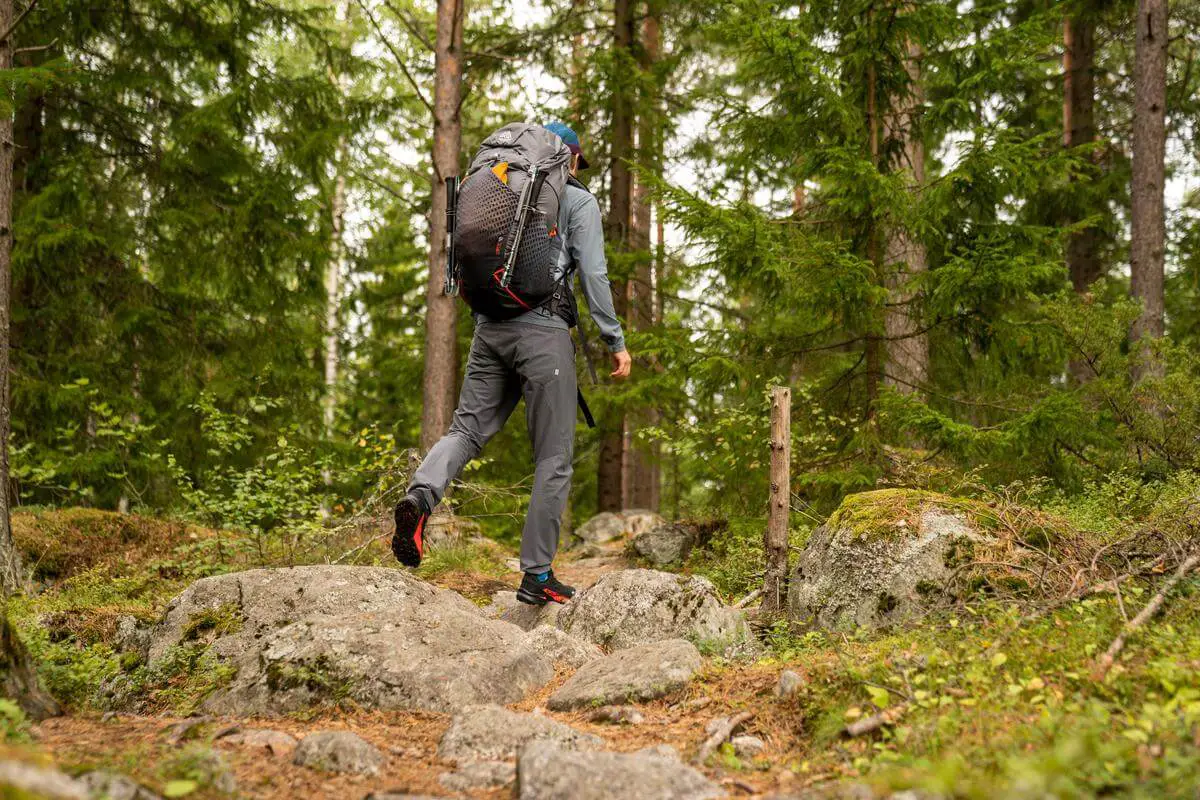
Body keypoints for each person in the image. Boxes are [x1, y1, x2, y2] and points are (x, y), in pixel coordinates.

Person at [392, 121, 631, 606]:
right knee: (553, 456)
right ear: (572, 158)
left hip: (489, 327)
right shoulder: (577, 198)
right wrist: (615, 340)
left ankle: (420, 496)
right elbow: (594, 273)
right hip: (543, 334)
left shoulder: (499, 181)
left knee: (465, 431)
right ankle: (537, 574)